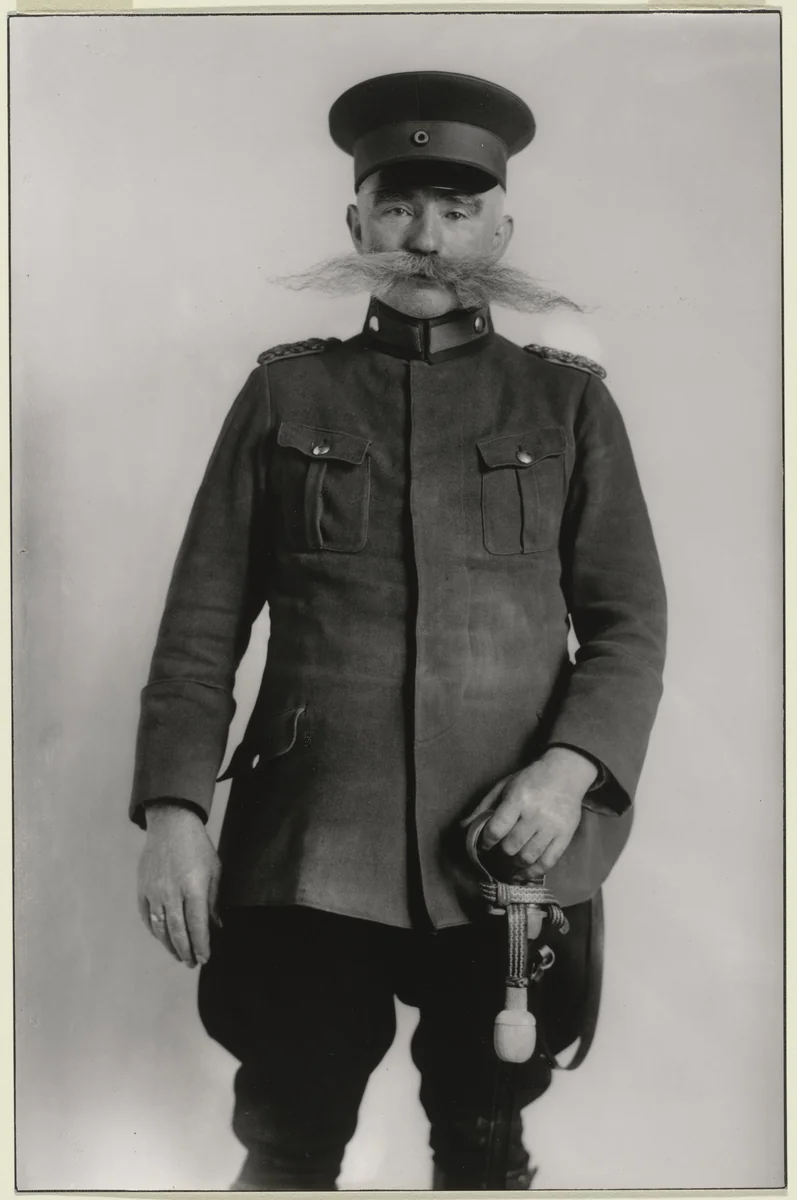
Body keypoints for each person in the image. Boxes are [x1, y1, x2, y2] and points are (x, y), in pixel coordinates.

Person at [131, 71, 667, 1191]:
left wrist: (568, 773)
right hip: (310, 840)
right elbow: (199, 628)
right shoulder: (285, 397)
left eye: (457, 210)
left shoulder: (565, 407)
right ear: (356, 222)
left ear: (499, 227)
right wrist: (176, 810)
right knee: (287, 1132)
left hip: (506, 846)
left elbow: (626, 625)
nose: (425, 238)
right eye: (398, 207)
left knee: (480, 1139)